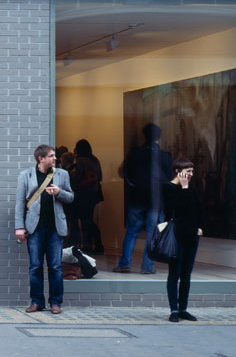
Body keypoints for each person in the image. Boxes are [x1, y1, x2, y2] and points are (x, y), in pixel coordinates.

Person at [15, 144, 74, 315]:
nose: (55, 158)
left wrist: (59, 192)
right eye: (51, 156)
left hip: (55, 228)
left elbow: (71, 197)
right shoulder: (26, 175)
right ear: (41, 159)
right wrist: (19, 227)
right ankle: (37, 302)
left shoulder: (62, 175)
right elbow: (20, 203)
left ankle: (55, 302)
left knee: (55, 266)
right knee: (35, 266)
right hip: (34, 228)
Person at [114, 123, 173, 274]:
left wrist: (133, 185)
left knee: (132, 232)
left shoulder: (134, 153)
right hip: (155, 200)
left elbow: (124, 173)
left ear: (144, 136)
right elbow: (170, 179)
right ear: (159, 137)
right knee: (152, 234)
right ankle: (147, 267)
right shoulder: (165, 156)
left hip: (136, 198)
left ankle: (125, 264)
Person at [164, 158, 202, 322]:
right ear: (178, 172)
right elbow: (178, 209)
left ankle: (183, 308)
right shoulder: (169, 188)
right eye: (188, 171)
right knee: (175, 273)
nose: (191, 174)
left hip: (192, 236)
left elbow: (195, 209)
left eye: (192, 171)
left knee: (186, 274)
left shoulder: (190, 188)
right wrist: (184, 188)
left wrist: (199, 226)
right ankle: (173, 309)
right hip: (176, 237)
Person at [72, 139, 104, 254]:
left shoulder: (80, 160)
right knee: (89, 219)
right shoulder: (94, 159)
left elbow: (78, 176)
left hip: (83, 193)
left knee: (85, 220)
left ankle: (88, 245)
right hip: (94, 193)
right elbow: (100, 177)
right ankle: (97, 244)